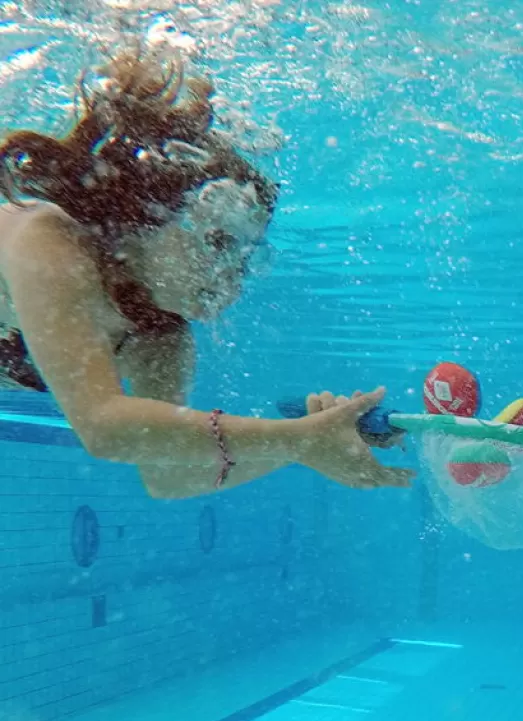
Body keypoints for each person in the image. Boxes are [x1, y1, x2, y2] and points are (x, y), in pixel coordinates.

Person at [0, 45, 413, 498]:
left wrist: (306, 443)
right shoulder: (52, 241)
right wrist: (298, 436)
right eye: (217, 243)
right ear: (146, 218)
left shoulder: (162, 340)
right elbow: (102, 426)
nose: (231, 276)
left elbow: (167, 476)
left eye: (245, 257)